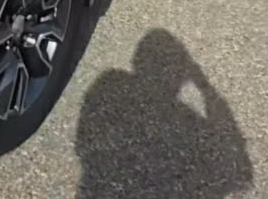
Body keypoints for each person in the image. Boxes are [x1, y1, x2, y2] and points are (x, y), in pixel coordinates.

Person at [76, 28, 254, 198]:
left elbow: (83, 143)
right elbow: (235, 163)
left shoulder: (111, 83)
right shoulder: (186, 122)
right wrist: (204, 87)